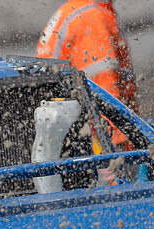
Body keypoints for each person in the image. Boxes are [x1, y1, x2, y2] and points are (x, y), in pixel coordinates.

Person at [38, 0, 141, 183]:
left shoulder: (76, 9)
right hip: (101, 141)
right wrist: (116, 145)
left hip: (67, 138)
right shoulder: (93, 16)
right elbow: (104, 85)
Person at [38, 0, 137, 113]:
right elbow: (105, 91)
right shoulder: (92, 17)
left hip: (61, 119)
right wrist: (117, 129)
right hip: (90, 124)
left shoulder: (76, 9)